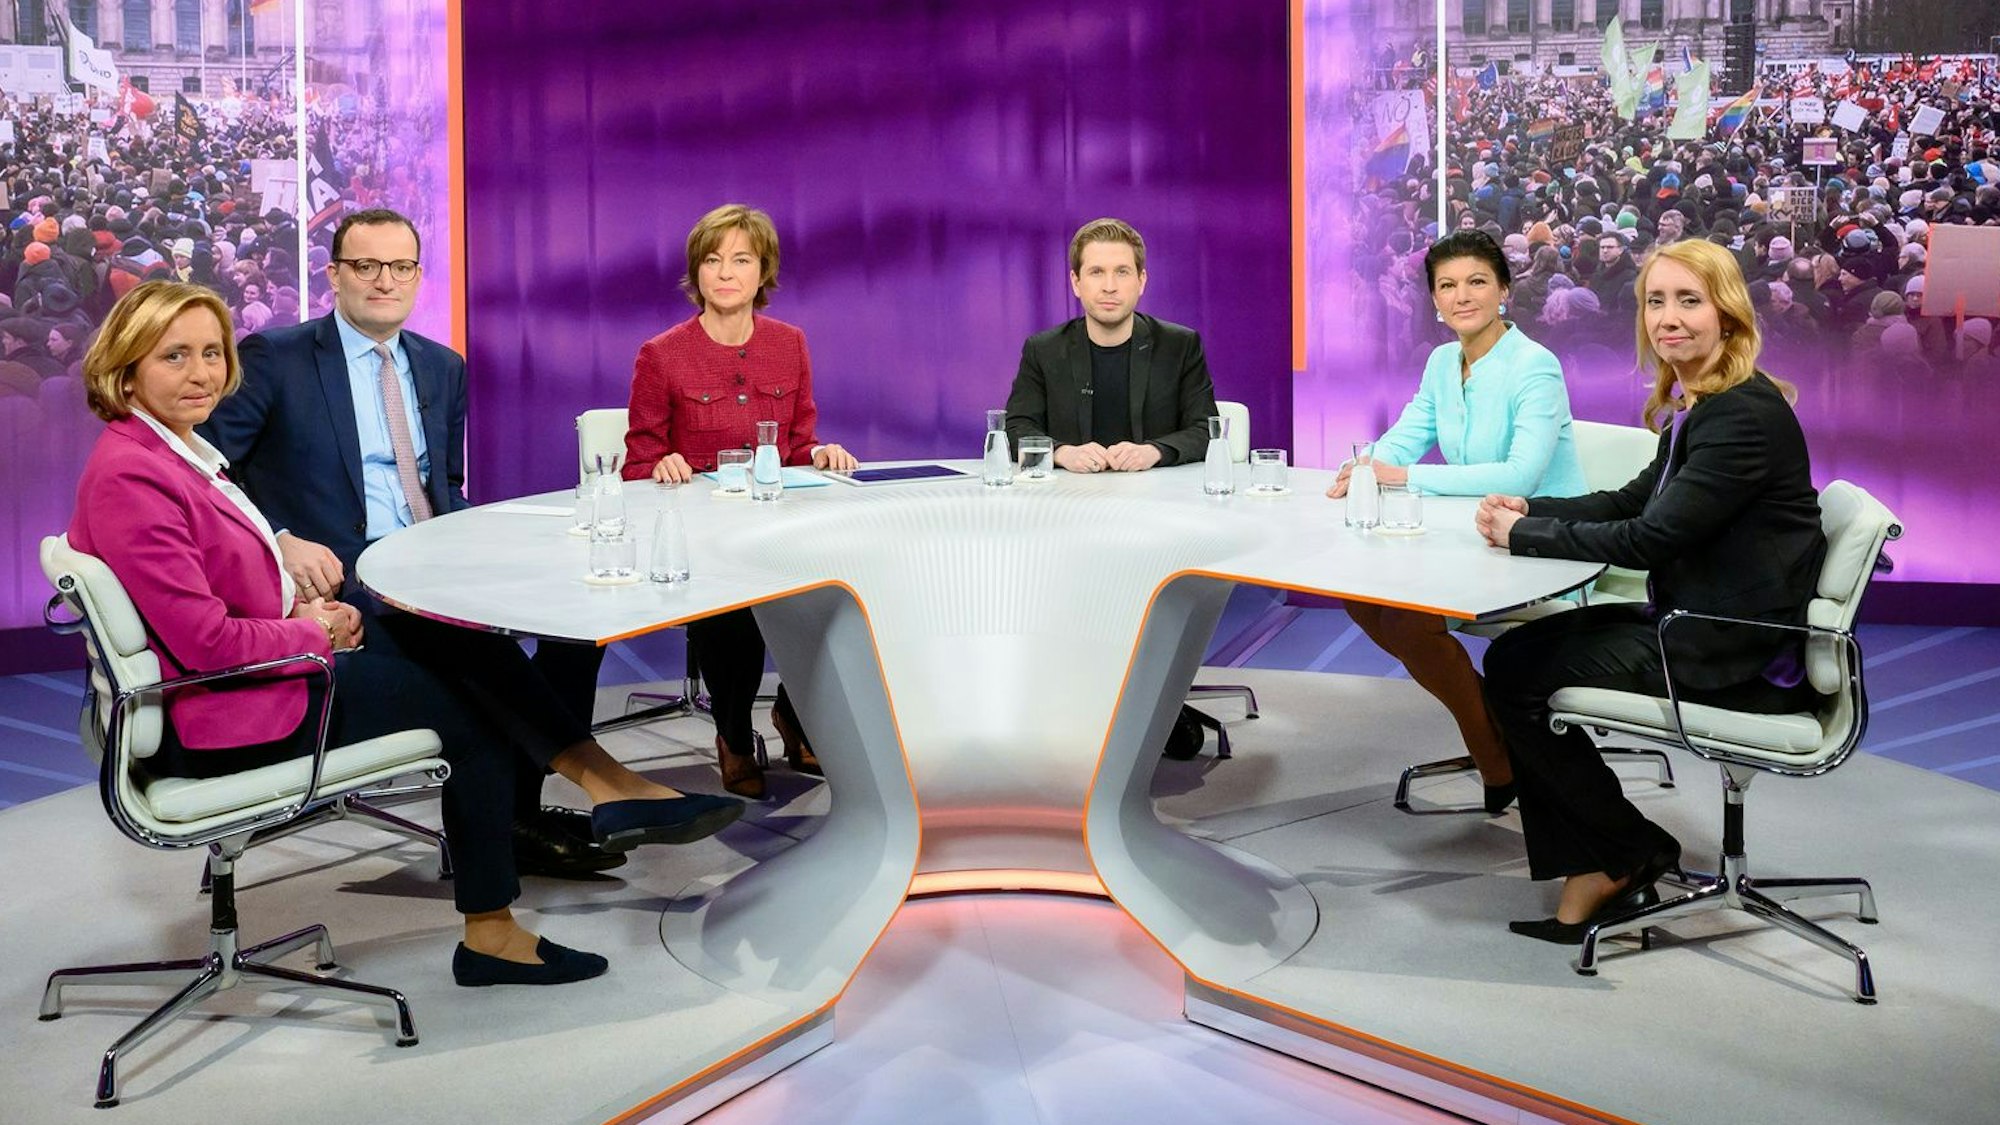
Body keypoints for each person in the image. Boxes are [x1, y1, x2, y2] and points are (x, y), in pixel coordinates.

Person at [69, 282, 743, 986]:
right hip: (225, 709)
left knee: (460, 640)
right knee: (465, 712)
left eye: (211, 352)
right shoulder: (134, 476)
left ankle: (610, 785)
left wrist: (301, 611)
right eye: (174, 355)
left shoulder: (175, 454)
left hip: (258, 671)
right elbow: (204, 643)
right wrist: (311, 632)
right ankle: (493, 933)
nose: (202, 372)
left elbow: (217, 594)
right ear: (126, 368)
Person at [199, 209, 621, 879]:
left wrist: (499, 541)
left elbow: (442, 485)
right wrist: (278, 538)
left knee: (574, 626)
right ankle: (568, 797)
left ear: (419, 277)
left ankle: (519, 808)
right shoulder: (275, 357)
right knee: (474, 650)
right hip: (352, 574)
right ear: (335, 275)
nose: (383, 281)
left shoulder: (440, 366)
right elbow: (208, 471)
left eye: (400, 267)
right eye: (366, 266)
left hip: (437, 558)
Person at [1474, 240, 1826, 944]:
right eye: (1656, 302)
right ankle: (1611, 852)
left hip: (1728, 647)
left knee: (1515, 672)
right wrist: (1533, 511)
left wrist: (1523, 538)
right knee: (1517, 652)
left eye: (1689, 301)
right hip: (1703, 618)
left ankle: (1623, 853)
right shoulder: (1708, 403)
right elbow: (1635, 500)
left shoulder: (1740, 418)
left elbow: (1645, 541)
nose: (1669, 318)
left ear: (1727, 314)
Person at [1325, 231, 1585, 814]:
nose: (1461, 296)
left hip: (1544, 548)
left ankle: (1496, 756)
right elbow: (1407, 437)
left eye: (1476, 282)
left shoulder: (1534, 366)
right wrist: (1362, 466)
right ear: (1435, 301)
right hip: (1477, 540)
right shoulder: (1443, 361)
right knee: (1364, 599)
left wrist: (1403, 478)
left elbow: (1518, 477)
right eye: (1447, 286)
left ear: (1504, 291)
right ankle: (1503, 737)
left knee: (1408, 614)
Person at [623, 204, 857, 799]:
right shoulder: (662, 354)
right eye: (713, 260)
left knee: (831, 597)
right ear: (697, 273)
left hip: (781, 528)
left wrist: (822, 454)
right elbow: (638, 460)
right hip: (709, 539)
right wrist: (662, 464)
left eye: (741, 260)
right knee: (734, 619)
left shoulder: (790, 345)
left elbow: (798, 446)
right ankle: (731, 732)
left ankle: (795, 714)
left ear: (762, 272)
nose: (726, 273)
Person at [1003, 217, 1219, 474]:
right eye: (1096, 272)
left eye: (1122, 272)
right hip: (1067, 501)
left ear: (1141, 281)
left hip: (1158, 500)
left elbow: (1206, 430)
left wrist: (1153, 451)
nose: (1109, 287)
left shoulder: (1180, 346)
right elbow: (1016, 428)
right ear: (1075, 282)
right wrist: (1062, 452)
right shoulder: (1043, 350)